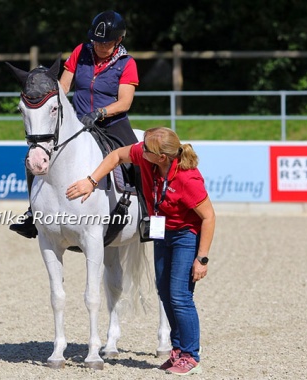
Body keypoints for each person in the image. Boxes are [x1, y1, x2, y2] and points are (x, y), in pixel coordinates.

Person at [66, 127, 216, 376]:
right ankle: (177, 351)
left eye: (145, 149)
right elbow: (116, 156)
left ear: (161, 158)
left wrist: (202, 258)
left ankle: (191, 355)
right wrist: (91, 182)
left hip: (184, 236)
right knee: (165, 291)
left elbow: (209, 217)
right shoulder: (146, 156)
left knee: (180, 296)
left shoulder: (188, 179)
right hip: (161, 232)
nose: (139, 150)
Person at [10, 10, 142, 239]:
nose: (100, 47)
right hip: (78, 120)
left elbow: (125, 102)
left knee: (135, 157)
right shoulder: (81, 52)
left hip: (112, 122)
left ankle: (148, 214)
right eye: (97, 41)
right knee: (33, 157)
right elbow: (63, 87)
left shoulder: (127, 63)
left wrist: (99, 113)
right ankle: (33, 213)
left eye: (106, 43)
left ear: (119, 40)